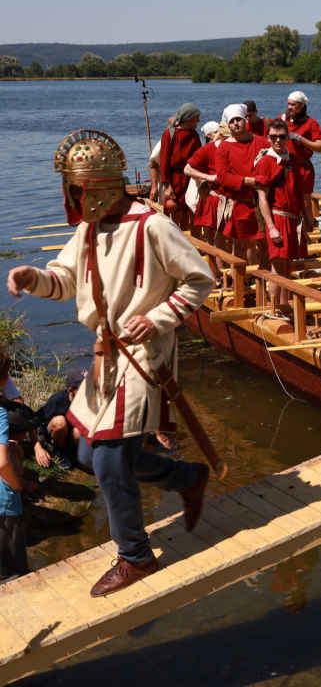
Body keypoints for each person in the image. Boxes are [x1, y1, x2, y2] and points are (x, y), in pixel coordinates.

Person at [6, 129, 215, 597]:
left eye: (79, 191)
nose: (75, 200)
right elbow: (63, 279)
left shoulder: (154, 226)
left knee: (108, 456)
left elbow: (201, 279)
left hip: (145, 355)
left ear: (99, 188)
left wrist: (159, 316)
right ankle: (185, 477)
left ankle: (136, 556)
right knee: (84, 452)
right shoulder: (88, 230)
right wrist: (32, 277)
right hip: (105, 356)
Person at [255, 118, 309, 307]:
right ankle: (274, 309)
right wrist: (271, 228)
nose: (278, 140)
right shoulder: (265, 162)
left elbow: (299, 193)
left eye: (282, 137)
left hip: (293, 219)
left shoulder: (292, 161)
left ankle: (284, 307)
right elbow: (262, 197)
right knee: (277, 267)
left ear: (288, 138)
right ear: (268, 138)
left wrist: (307, 219)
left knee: (287, 266)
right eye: (274, 137)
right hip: (277, 217)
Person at [217, 103, 269, 264]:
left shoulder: (261, 142)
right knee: (241, 245)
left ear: (245, 120)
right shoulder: (224, 147)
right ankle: (243, 281)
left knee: (264, 243)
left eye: (238, 120)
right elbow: (222, 177)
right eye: (232, 121)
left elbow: (273, 165)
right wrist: (248, 181)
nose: (236, 124)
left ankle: (264, 278)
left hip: (262, 202)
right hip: (239, 204)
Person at [184, 120, 228, 281]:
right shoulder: (207, 150)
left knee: (227, 238)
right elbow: (188, 170)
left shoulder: (230, 147)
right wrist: (209, 178)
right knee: (214, 238)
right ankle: (218, 274)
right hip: (212, 197)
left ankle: (225, 274)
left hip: (227, 198)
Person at [279, 91, 321, 229]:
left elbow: (320, 147)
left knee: (305, 201)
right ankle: (289, 227)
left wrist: (300, 138)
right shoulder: (282, 120)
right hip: (285, 167)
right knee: (285, 199)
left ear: (302, 106)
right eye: (288, 104)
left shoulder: (311, 123)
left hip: (303, 168)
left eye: (293, 105)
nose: (290, 107)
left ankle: (309, 230)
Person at [0, 402, 31, 579]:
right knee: (14, 570)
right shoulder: (1, 415)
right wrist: (18, 485)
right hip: (5, 506)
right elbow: (4, 465)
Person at [158, 103, 201, 231]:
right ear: (188, 118)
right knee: (174, 211)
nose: (198, 121)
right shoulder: (169, 135)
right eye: (196, 118)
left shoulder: (194, 135)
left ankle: (189, 240)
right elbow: (164, 161)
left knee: (189, 209)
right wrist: (168, 185)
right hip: (175, 180)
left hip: (190, 179)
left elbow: (199, 158)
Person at [33, 369, 85, 471]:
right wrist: (38, 446)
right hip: (54, 434)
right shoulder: (58, 400)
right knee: (59, 422)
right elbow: (35, 421)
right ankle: (57, 452)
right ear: (71, 390)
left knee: (80, 431)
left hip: (72, 436)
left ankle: (72, 454)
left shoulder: (89, 401)